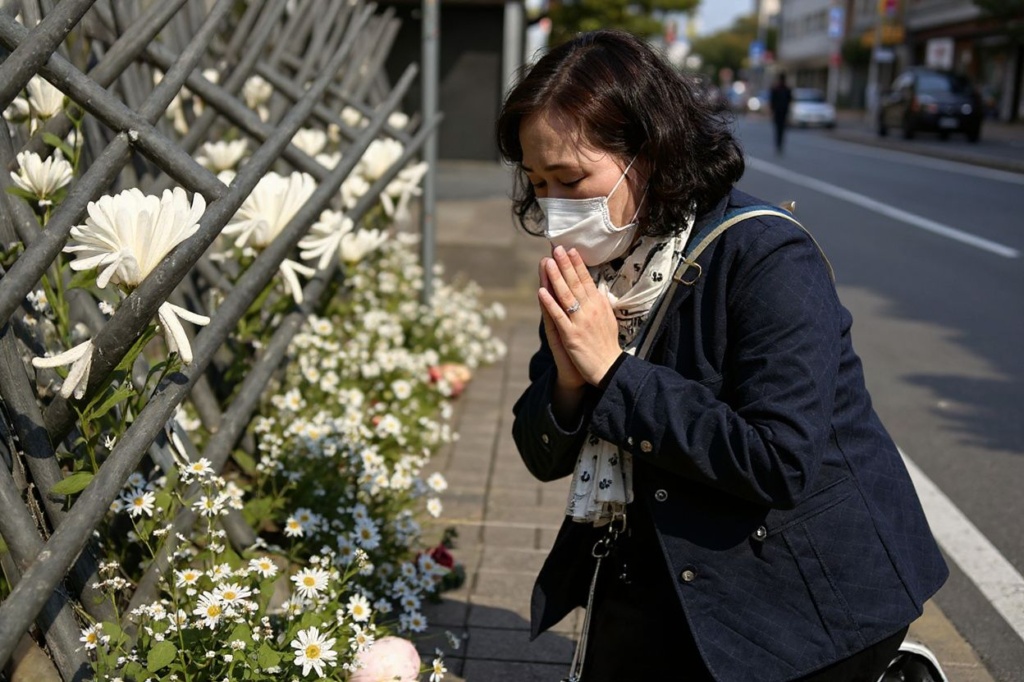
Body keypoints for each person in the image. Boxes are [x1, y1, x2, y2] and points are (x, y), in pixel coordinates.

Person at [497, 30, 947, 682]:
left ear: (648, 153)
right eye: (538, 184)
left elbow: (778, 459)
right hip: (660, 565)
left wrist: (615, 373)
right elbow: (540, 454)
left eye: (571, 179)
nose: (557, 208)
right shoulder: (594, 272)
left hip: (803, 596)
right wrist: (570, 380)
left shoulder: (765, 256)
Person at [770, 72, 793, 153]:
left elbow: (772, 102)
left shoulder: (779, 89)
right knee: (781, 129)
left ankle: (779, 145)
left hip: (780, 112)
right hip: (782, 112)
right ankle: (779, 145)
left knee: (779, 129)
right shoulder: (784, 89)